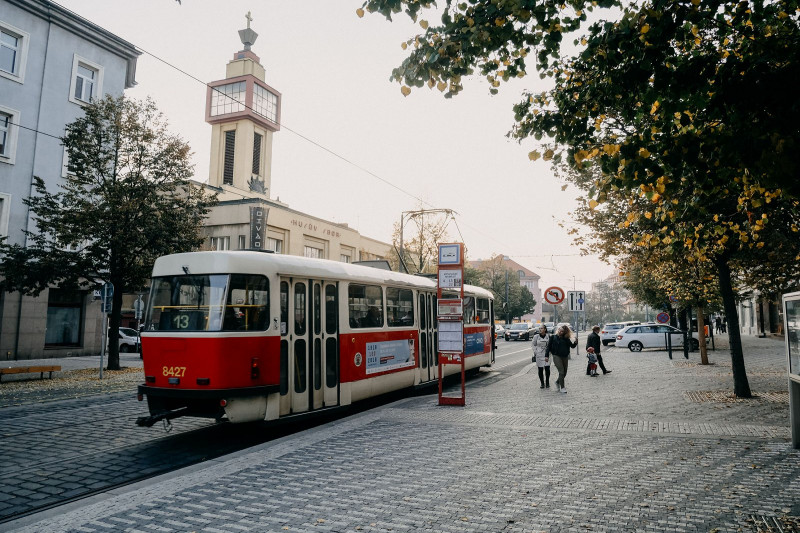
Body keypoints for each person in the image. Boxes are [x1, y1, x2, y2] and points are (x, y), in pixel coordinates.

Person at [550, 325, 578, 393]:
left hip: (565, 356)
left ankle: (557, 382)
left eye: (562, 331)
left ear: (564, 332)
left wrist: (575, 342)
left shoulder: (566, 339)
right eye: (559, 330)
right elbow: (549, 346)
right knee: (561, 371)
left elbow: (572, 346)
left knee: (564, 372)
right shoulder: (553, 337)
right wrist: (546, 356)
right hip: (556, 356)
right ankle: (562, 387)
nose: (560, 332)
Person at [531, 324, 551, 389]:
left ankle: (547, 382)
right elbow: (533, 345)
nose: (540, 329)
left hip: (547, 354)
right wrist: (536, 352)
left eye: (542, 328)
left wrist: (550, 352)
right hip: (539, 355)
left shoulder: (548, 336)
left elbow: (551, 345)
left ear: (545, 329)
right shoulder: (536, 336)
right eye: (539, 328)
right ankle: (542, 383)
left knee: (547, 369)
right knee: (540, 369)